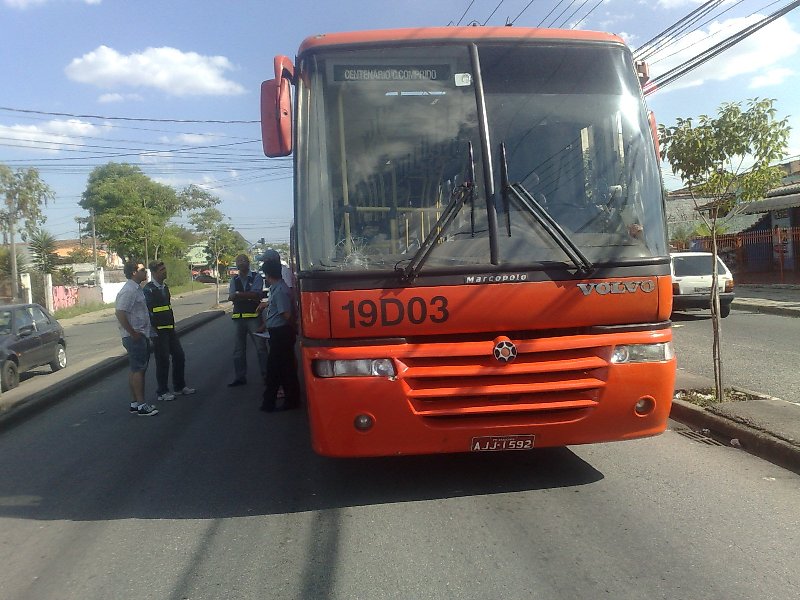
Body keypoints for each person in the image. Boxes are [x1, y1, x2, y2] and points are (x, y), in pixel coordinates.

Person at [143, 260, 196, 401]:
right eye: (161, 270)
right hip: (158, 331)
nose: (164, 271)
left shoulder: (165, 287)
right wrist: (152, 328)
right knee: (163, 360)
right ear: (154, 273)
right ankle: (162, 391)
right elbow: (148, 311)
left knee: (179, 356)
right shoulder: (148, 290)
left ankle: (179, 386)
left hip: (170, 328)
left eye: (164, 268)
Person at [115, 260, 158, 417]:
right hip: (135, 336)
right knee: (139, 370)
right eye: (142, 269)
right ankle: (141, 405)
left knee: (136, 369)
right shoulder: (129, 291)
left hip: (140, 334)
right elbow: (120, 312)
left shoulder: (137, 289)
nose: (145, 272)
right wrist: (133, 333)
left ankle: (135, 403)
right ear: (134, 272)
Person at [260, 260, 301, 412]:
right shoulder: (276, 288)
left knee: (281, 370)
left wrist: (294, 328)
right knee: (281, 369)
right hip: (278, 333)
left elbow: (286, 314)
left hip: (281, 334)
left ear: (268, 274)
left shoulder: (280, 290)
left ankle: (285, 401)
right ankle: (274, 401)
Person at [228, 254, 267, 386]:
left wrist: (239, 294)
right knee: (238, 350)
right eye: (238, 261)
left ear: (248, 263)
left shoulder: (256, 277)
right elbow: (231, 296)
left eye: (243, 261)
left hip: (254, 318)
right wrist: (246, 295)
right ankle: (240, 377)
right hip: (238, 318)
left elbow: (256, 294)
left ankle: (266, 375)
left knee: (261, 348)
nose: (241, 263)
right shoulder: (234, 279)